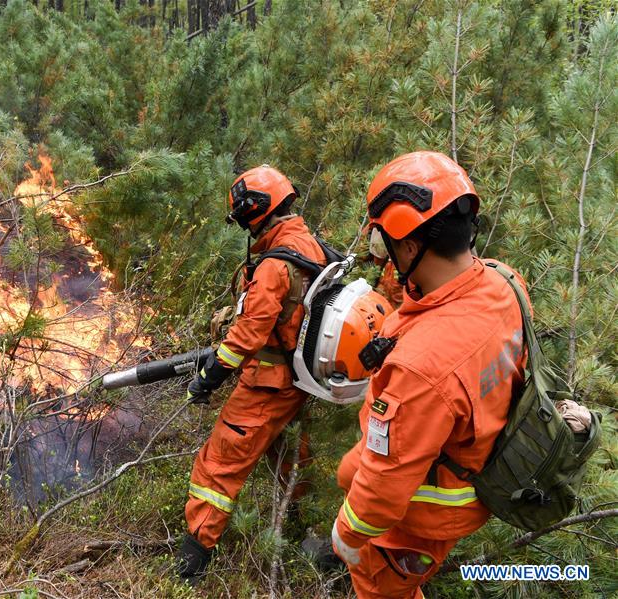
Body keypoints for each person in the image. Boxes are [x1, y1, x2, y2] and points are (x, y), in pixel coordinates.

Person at [330, 151, 529, 598]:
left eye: (384, 243)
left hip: (422, 511)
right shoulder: (504, 284)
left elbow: (385, 484)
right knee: (349, 470)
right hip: (469, 469)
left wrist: (347, 533)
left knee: (384, 585)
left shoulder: (421, 368)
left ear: (409, 246)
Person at [177, 165, 329, 584]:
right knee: (290, 455)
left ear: (254, 212)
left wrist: (211, 376)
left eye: (242, 217)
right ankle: (300, 523)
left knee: (219, 462)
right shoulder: (310, 246)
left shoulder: (275, 266)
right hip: (298, 382)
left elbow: (248, 333)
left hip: (267, 383)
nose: (243, 225)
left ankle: (194, 555)